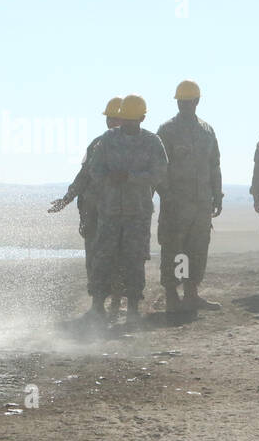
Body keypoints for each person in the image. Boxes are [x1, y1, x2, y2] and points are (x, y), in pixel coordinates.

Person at [86, 94, 168, 325]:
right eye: (126, 119)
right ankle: (97, 307)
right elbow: (94, 170)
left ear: (142, 117)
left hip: (138, 213)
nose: (129, 124)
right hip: (109, 211)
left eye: (134, 120)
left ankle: (132, 308)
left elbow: (160, 172)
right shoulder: (108, 139)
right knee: (103, 258)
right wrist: (109, 179)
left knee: (134, 260)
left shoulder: (152, 142)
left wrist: (130, 177)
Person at [49, 97, 123, 311]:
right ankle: (98, 304)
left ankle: (117, 301)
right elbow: (84, 176)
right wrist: (67, 199)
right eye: (109, 118)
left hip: (119, 213)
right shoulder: (98, 144)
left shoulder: (138, 145)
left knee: (119, 258)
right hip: (94, 213)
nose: (110, 122)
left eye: (115, 118)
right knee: (94, 259)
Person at [156, 80, 223, 313]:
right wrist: (167, 196)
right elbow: (159, 169)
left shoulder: (207, 131)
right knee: (176, 251)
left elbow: (214, 164)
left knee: (197, 249)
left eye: (188, 102)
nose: (184, 105)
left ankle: (192, 294)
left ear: (197, 102)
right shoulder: (167, 131)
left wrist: (218, 194)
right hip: (176, 206)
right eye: (181, 102)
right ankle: (172, 295)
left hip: (201, 204)